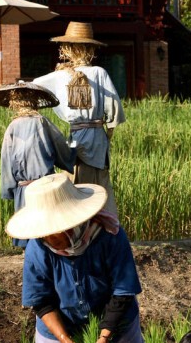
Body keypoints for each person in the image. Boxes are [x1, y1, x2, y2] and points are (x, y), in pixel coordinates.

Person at [9, 174, 161, 343]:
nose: (46, 237)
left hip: (115, 317)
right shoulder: (38, 248)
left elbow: (123, 290)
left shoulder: (109, 236)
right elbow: (40, 300)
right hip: (59, 322)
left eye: (51, 231)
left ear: (71, 224)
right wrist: (66, 341)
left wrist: (104, 336)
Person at [34, 21, 125, 217]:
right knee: (100, 188)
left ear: (66, 49)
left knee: (75, 187)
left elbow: (33, 87)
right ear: (91, 50)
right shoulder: (99, 73)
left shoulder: (60, 76)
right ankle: (103, 229)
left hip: (75, 137)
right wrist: (108, 133)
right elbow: (113, 109)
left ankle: (76, 230)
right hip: (97, 140)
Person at [0, 81, 76, 248]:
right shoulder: (42, 122)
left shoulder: (12, 127)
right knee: (47, 231)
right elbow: (60, 147)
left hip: (24, 189)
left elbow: (6, 160)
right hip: (44, 186)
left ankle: (30, 257)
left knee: (29, 229)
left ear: (14, 103)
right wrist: (72, 152)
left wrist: (8, 189)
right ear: (35, 101)